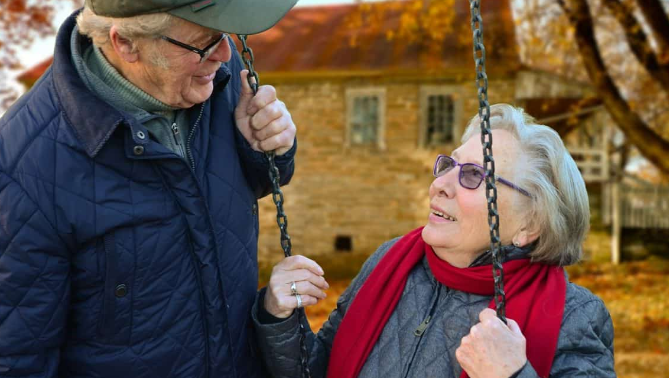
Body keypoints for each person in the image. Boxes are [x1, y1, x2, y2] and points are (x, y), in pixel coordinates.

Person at [0, 0, 299, 376]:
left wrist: (268, 148)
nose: (224, 54)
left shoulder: (214, 76)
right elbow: (9, 363)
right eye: (204, 43)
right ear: (125, 44)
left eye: (227, 34)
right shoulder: (17, 171)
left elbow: (247, 186)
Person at [254, 104, 616, 378]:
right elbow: (319, 369)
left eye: (474, 175)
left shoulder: (575, 315)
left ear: (530, 224)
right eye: (449, 165)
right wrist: (281, 316)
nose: (441, 184)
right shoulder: (390, 263)